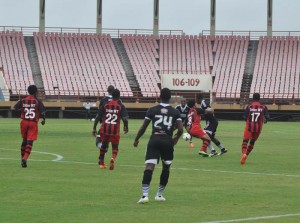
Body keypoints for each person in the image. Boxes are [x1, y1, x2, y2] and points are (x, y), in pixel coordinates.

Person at [134, 88, 183, 204]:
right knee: (166, 167)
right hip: (167, 141)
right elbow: (181, 129)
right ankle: (159, 195)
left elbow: (143, 127)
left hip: (154, 139)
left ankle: (145, 196)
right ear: (170, 97)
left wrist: (136, 139)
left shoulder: (152, 109)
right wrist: (175, 137)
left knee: (149, 166)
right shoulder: (175, 112)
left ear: (160, 96)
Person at [93, 89, 128, 170]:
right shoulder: (120, 105)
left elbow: (98, 116)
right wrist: (126, 126)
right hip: (115, 130)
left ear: (112, 95)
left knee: (104, 146)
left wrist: (94, 127)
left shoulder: (105, 104)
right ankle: (112, 158)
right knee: (115, 147)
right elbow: (125, 119)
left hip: (104, 128)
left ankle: (101, 163)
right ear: (119, 96)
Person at [13, 85, 46, 168]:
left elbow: (15, 108)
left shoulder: (23, 100)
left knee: (24, 140)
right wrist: (43, 121)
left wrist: (22, 110)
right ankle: (25, 158)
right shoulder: (38, 101)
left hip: (24, 122)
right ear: (36, 92)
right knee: (30, 141)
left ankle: (22, 158)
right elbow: (43, 113)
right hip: (33, 123)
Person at [240, 93, 269, 165]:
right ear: (259, 99)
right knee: (252, 142)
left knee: (245, 141)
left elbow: (244, 117)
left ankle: (243, 154)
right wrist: (265, 120)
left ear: (253, 98)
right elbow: (267, 117)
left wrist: (247, 120)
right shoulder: (264, 107)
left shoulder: (249, 107)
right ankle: (246, 154)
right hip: (258, 128)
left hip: (249, 126)